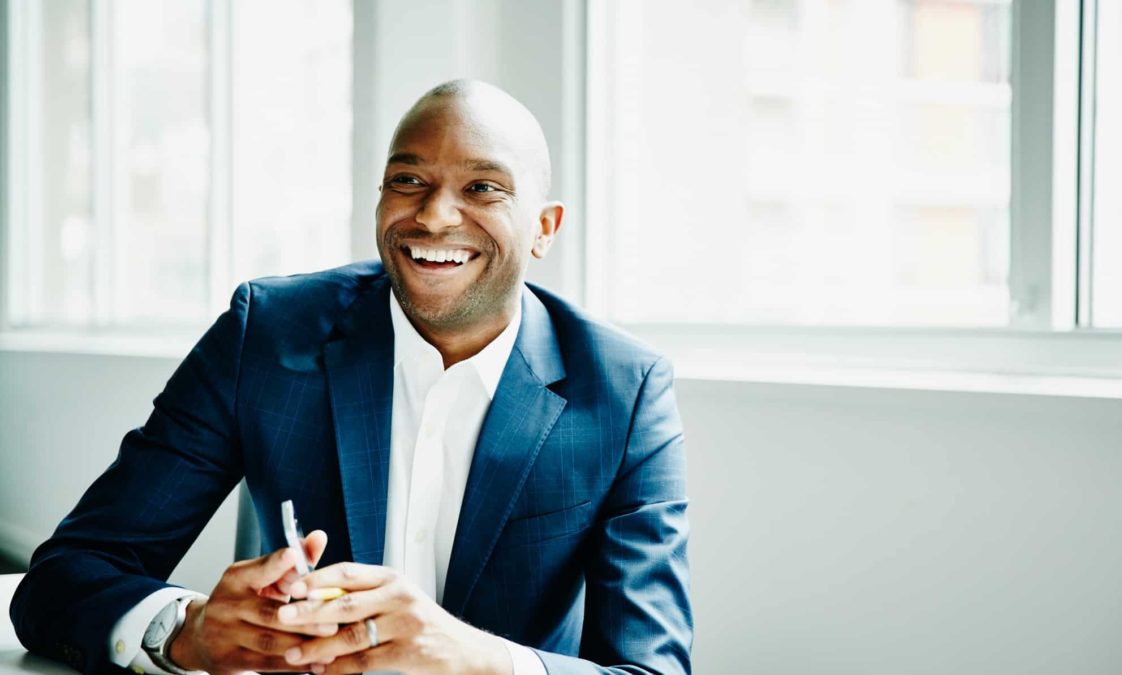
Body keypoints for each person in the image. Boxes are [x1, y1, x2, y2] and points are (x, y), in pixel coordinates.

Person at [10, 80, 692, 675]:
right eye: (407, 180)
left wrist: (472, 656)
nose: (431, 215)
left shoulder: (624, 392)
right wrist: (186, 630)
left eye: (482, 187)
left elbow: (650, 668)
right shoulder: (266, 334)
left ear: (544, 228)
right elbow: (61, 581)